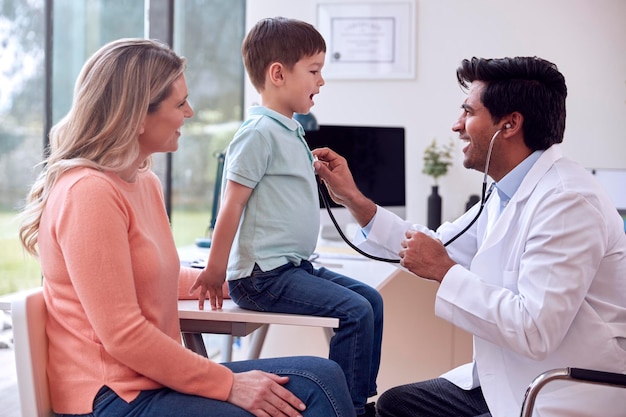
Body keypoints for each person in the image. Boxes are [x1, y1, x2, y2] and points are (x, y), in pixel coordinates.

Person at [18, 38, 357, 417]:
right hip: (114, 396)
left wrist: (249, 279)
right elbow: (124, 335)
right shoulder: (88, 192)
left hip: (150, 381)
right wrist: (228, 384)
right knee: (313, 393)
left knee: (324, 376)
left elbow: (150, 275)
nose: (190, 112)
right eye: (180, 104)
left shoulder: (143, 181)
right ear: (136, 114)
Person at [313, 56, 626, 417]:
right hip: (513, 379)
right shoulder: (504, 191)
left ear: (509, 124)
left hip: (562, 389)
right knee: (395, 405)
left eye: (468, 112)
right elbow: (435, 246)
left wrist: (445, 272)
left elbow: (536, 331)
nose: (456, 125)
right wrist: (354, 200)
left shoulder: (567, 201)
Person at [190, 17, 382, 417]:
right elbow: (232, 205)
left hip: (291, 268)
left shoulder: (290, 131)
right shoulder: (258, 132)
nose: (321, 82)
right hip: (262, 277)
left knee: (371, 300)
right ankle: (346, 410)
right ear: (278, 73)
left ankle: (358, 402)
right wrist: (214, 270)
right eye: (314, 71)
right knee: (355, 311)